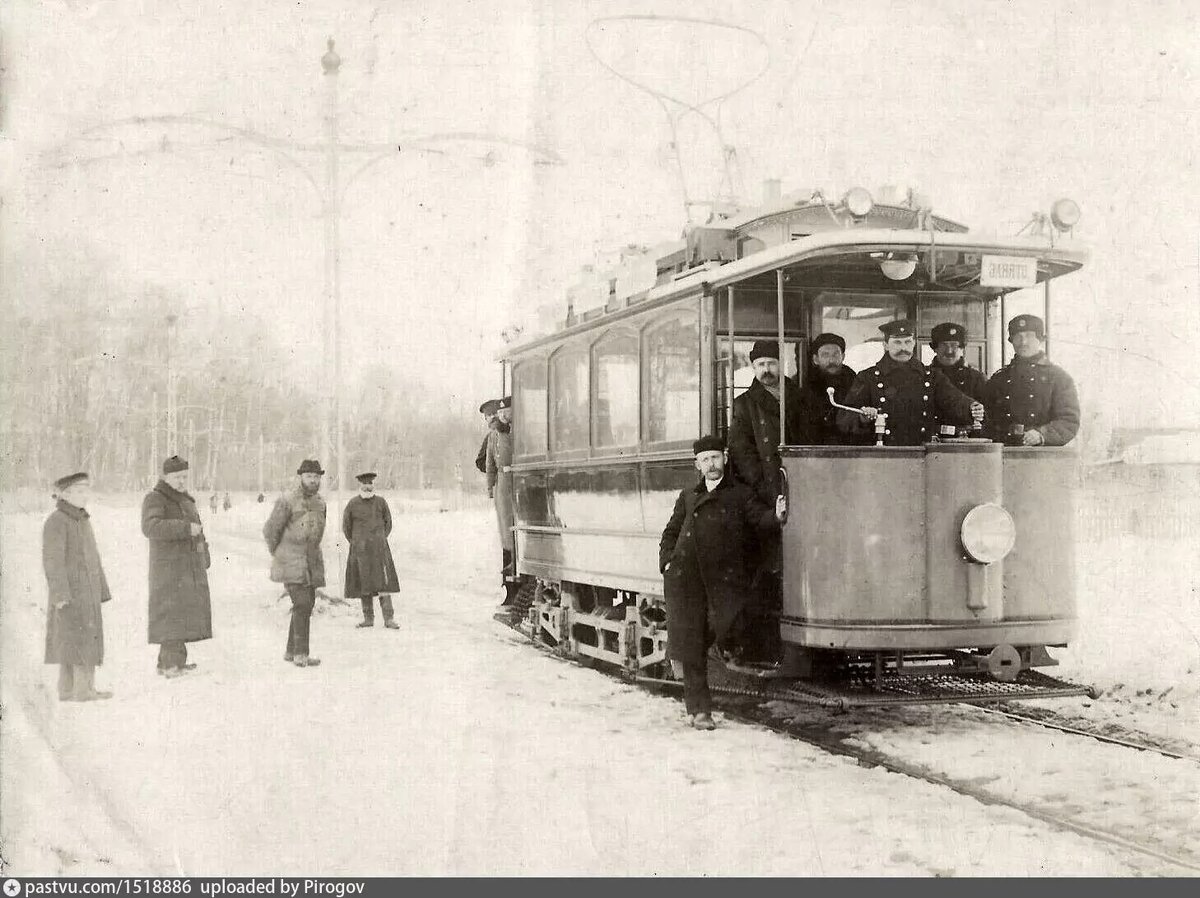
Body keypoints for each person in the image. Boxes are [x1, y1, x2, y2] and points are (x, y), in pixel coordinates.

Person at [659, 436, 787, 731]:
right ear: (697, 465)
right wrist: (666, 562)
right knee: (693, 645)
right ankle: (699, 711)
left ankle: (699, 687)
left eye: (715, 457)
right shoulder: (688, 495)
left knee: (717, 631)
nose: (711, 464)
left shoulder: (739, 494)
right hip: (687, 581)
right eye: (705, 460)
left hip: (724, 583)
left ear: (725, 458)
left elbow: (759, 518)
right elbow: (671, 531)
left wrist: (776, 515)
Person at [727, 340, 810, 661]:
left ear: (781, 364)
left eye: (771, 363)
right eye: (760, 364)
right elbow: (742, 452)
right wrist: (765, 489)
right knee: (768, 567)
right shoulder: (744, 404)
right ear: (753, 367)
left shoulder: (800, 397)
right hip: (766, 495)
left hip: (804, 488)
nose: (766, 370)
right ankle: (764, 644)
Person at [837, 320, 983, 446]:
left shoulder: (932, 377)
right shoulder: (868, 377)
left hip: (922, 453)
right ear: (886, 345)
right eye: (897, 342)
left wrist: (972, 407)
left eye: (907, 342)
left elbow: (955, 401)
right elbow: (844, 418)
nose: (903, 348)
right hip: (883, 454)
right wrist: (862, 417)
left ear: (913, 343)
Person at [43, 472, 114, 702]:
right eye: (81, 491)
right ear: (65, 494)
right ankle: (80, 691)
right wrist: (60, 594)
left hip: (88, 592)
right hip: (71, 594)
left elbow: (94, 558)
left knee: (82, 638)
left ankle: (72, 690)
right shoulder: (57, 521)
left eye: (87, 490)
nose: (86, 495)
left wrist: (102, 589)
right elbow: (52, 562)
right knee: (73, 639)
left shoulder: (82, 519)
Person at [142, 456, 212, 678]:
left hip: (187, 567)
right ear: (165, 477)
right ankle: (171, 665)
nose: (182, 481)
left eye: (184, 477)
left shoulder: (185, 499)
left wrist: (204, 553)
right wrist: (184, 528)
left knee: (182, 613)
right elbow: (150, 527)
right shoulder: (155, 498)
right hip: (168, 569)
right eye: (177, 477)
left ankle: (171, 662)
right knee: (171, 615)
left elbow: (198, 529)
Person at [263, 459, 327, 668]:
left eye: (316, 477)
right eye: (309, 476)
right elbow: (270, 530)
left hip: (310, 562)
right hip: (290, 561)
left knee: (306, 604)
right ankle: (301, 653)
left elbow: (319, 532)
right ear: (300, 477)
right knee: (302, 603)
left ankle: (291, 651)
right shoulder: (287, 500)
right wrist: (281, 554)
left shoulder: (320, 503)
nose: (313, 480)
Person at [982, 315, 1080, 446]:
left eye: (1029, 336)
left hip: (1042, 453)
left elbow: (1069, 420)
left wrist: (1041, 435)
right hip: (1004, 451)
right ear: (1012, 341)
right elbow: (986, 419)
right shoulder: (999, 378)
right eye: (1018, 337)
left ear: (1040, 339)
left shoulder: (1059, 378)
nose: (1023, 342)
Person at [343, 472, 400, 629]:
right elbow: (346, 527)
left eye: (370, 484)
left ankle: (389, 619)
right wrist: (357, 542)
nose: (367, 487)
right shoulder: (352, 504)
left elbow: (388, 523)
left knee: (383, 584)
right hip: (360, 552)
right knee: (364, 583)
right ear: (360, 486)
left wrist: (379, 539)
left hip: (379, 550)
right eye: (364, 484)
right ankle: (368, 618)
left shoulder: (381, 502)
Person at [798, 332, 857, 445]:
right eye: (825, 355)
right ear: (815, 359)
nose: (831, 360)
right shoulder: (806, 386)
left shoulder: (856, 383)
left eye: (836, 354)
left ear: (843, 356)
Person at [929, 322, 987, 432]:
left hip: (967, 439)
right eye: (944, 345)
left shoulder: (976, 378)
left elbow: (987, 416)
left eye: (954, 345)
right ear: (935, 348)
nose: (949, 351)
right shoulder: (925, 376)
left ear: (962, 348)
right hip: (932, 438)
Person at [487, 396, 517, 605]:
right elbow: (489, 462)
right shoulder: (494, 435)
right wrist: (490, 487)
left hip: (518, 480)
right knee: (506, 532)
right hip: (503, 485)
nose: (503, 416)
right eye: (500, 413)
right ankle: (509, 586)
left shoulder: (520, 430)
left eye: (506, 412)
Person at [475, 399, 500, 475]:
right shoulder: (489, 437)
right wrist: (494, 469)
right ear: (486, 419)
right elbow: (480, 462)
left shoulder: (512, 432)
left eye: (495, 413)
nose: (493, 417)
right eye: (489, 415)